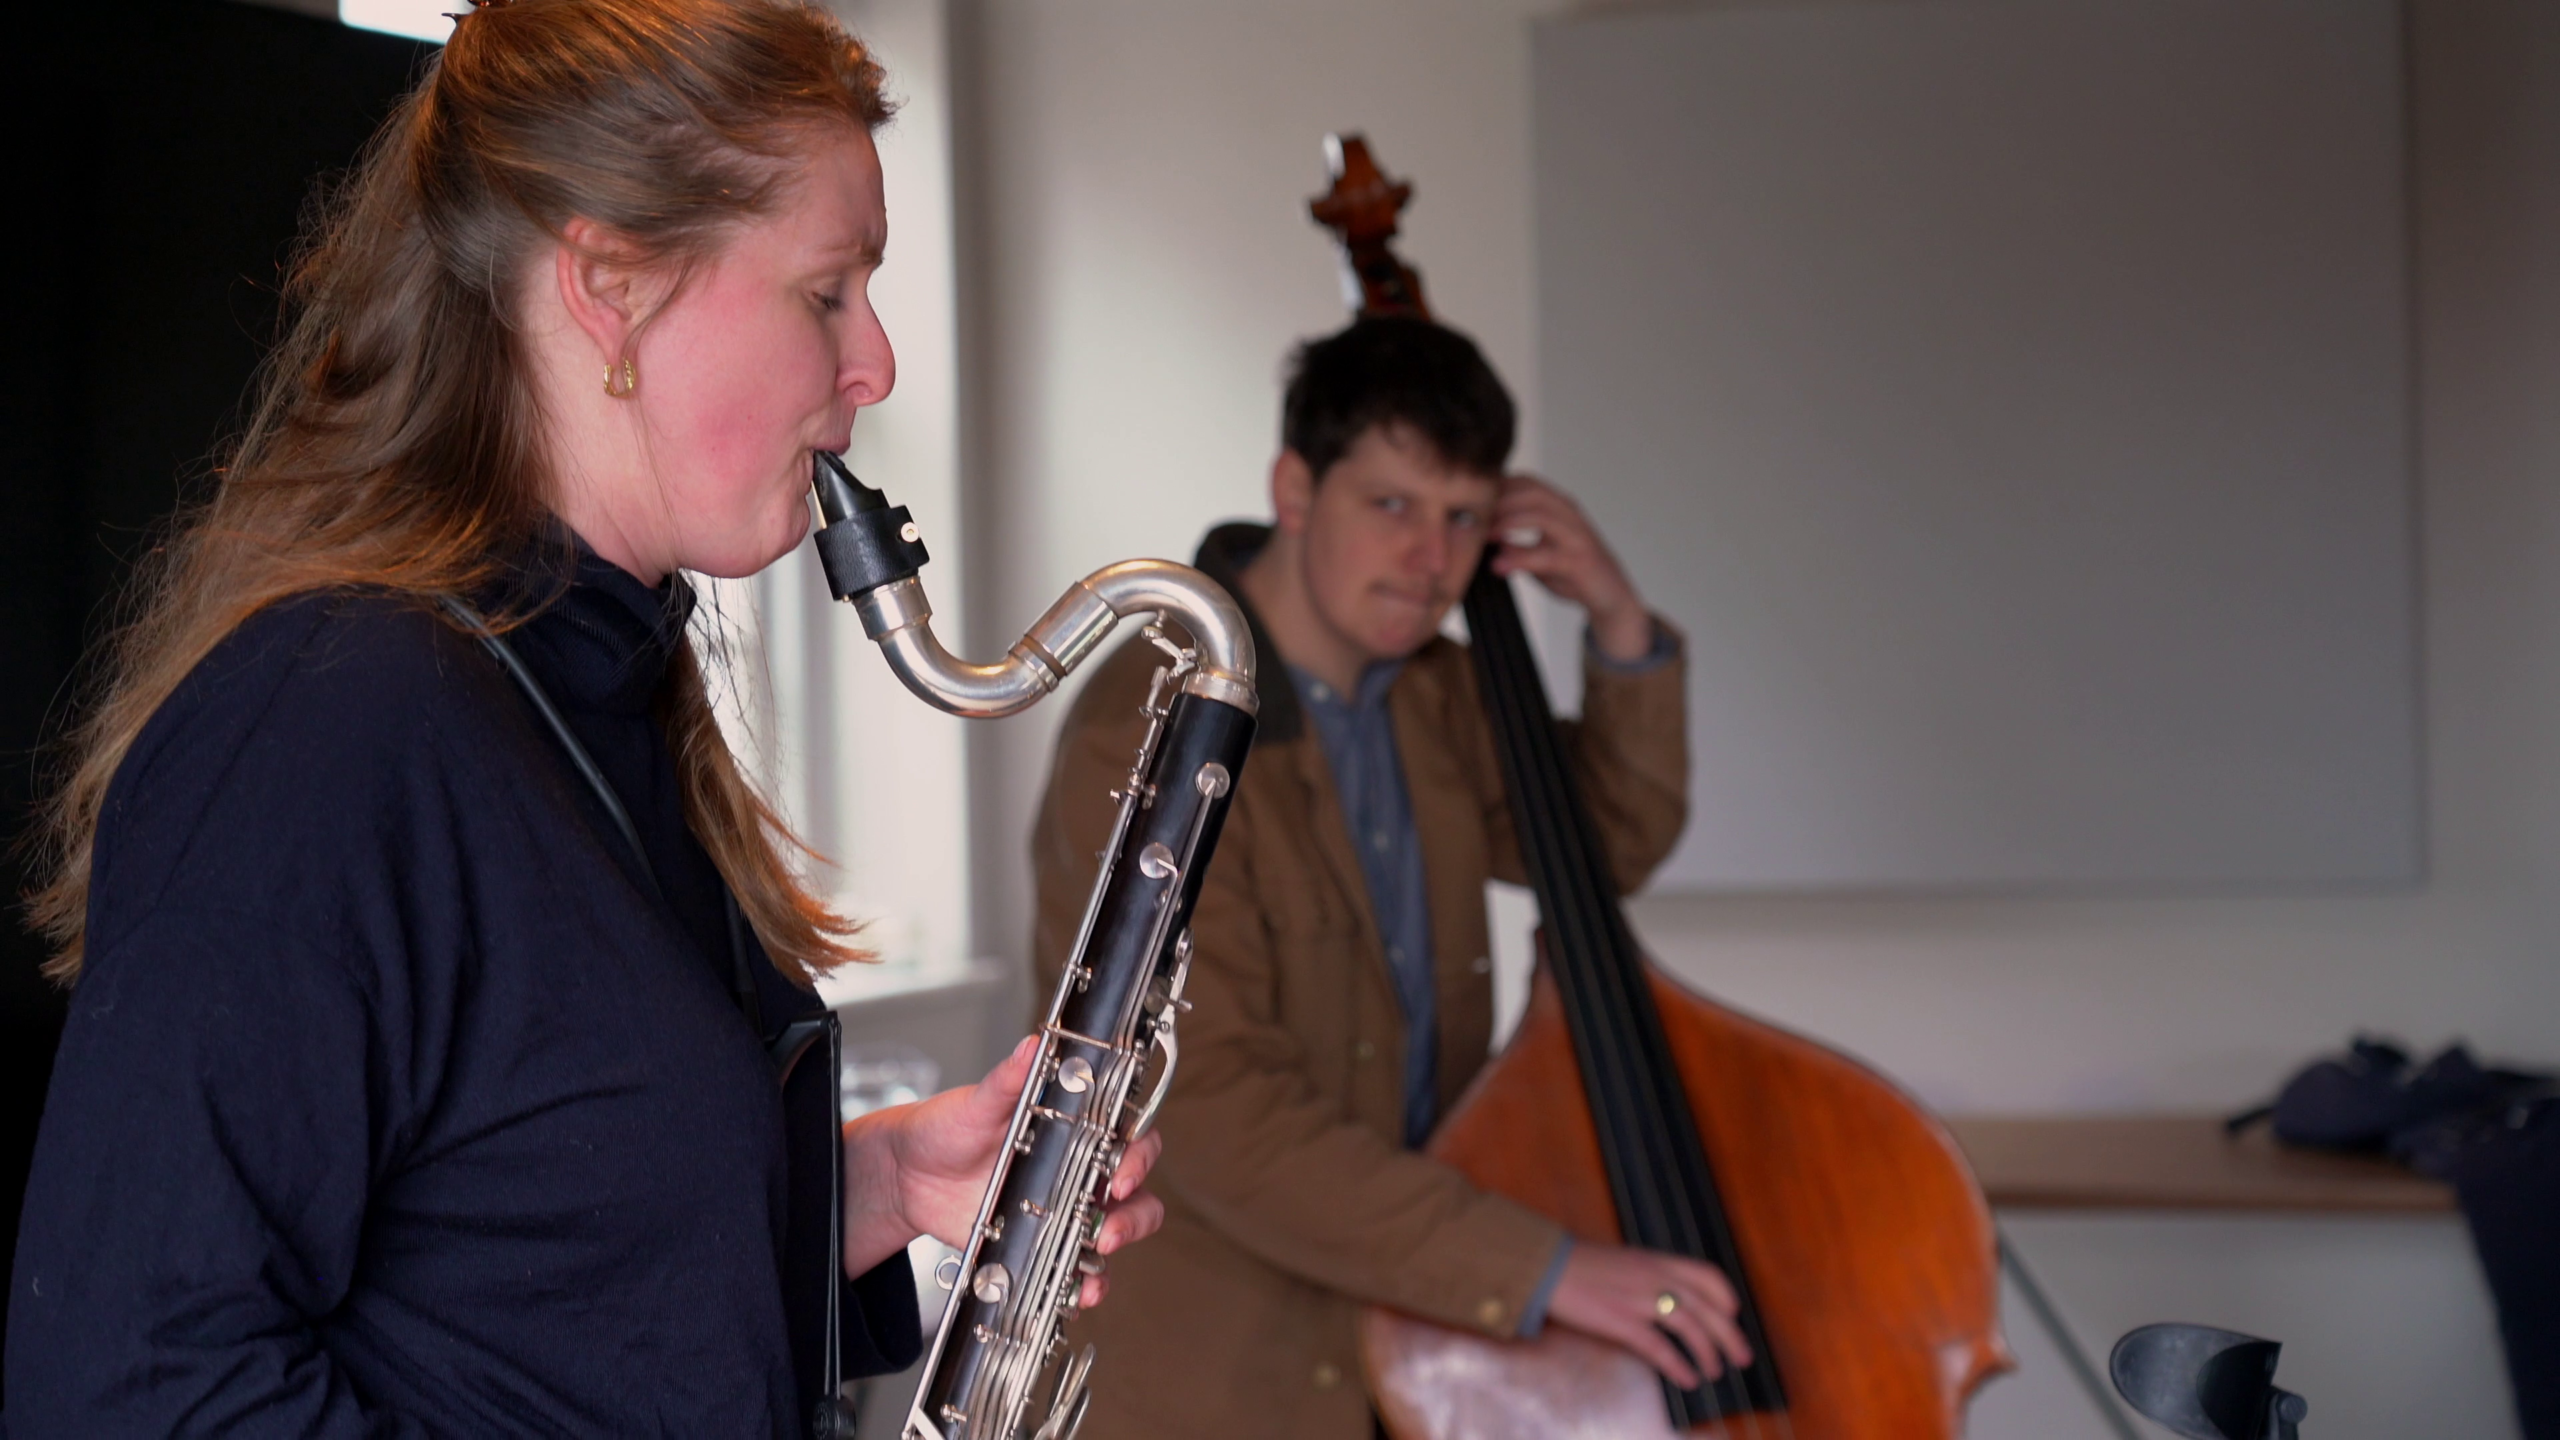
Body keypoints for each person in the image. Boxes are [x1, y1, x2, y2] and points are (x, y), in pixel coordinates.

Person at [4, 2, 1160, 1433]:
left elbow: (526, 1293)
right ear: (609, 286)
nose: (877, 366)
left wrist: (866, 1189)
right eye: (826, 291)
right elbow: (134, 1390)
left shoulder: (590, 690)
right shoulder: (328, 728)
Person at [1029, 315, 1749, 1438]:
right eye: (1393, 505)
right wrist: (1546, 1269)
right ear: (1295, 489)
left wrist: (1615, 619)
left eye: (1464, 517)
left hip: (1423, 1345)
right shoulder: (1154, 737)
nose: (1433, 559)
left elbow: (1606, 846)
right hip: (1223, 1378)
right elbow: (1211, 1112)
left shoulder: (1438, 692)